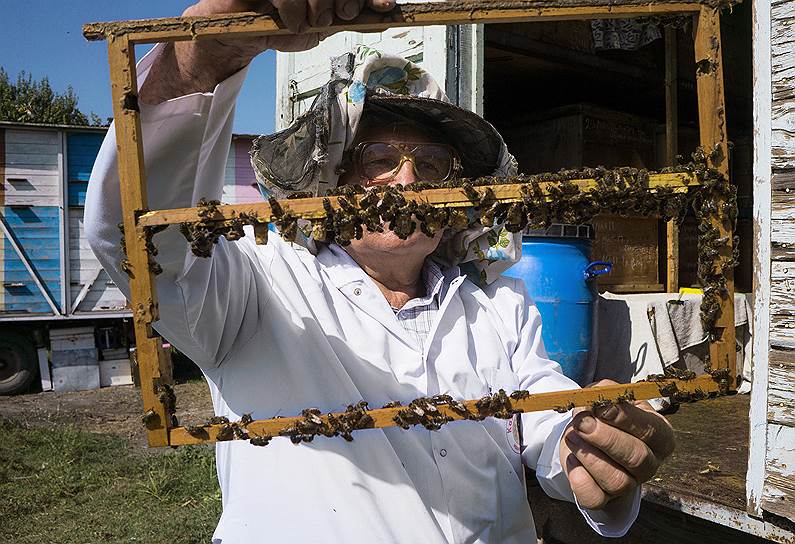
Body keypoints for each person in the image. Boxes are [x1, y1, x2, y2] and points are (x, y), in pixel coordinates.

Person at [85, 1, 676, 542]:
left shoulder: (500, 304)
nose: (409, 181)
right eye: (379, 159)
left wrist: (588, 448)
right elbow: (141, 234)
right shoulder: (255, 288)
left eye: (434, 164)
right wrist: (206, 53)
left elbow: (544, 415)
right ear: (331, 177)